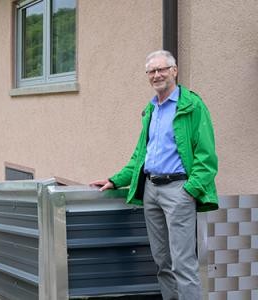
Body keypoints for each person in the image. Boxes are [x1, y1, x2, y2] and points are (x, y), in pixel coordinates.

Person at [90, 50, 218, 299]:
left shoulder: (192, 106)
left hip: (178, 190)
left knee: (183, 263)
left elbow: (207, 158)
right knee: (162, 261)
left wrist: (189, 191)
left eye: (162, 69)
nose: (157, 75)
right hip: (151, 190)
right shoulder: (151, 110)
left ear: (174, 71)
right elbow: (141, 157)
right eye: (151, 71)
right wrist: (116, 179)